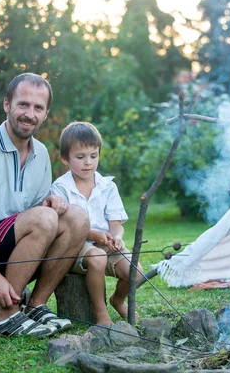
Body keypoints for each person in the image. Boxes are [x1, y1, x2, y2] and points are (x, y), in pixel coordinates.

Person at [0, 73, 89, 338]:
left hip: (18, 247)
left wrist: (48, 202)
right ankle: (5, 315)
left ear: (46, 113)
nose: (30, 114)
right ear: (6, 105)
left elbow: (35, 210)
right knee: (45, 218)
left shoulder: (40, 157)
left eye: (38, 108)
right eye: (23, 104)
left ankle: (36, 305)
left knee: (77, 218)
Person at [51, 121, 142, 326]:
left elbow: (116, 224)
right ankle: (101, 313)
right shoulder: (61, 188)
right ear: (65, 158)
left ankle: (117, 300)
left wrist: (117, 237)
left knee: (135, 271)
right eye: (80, 157)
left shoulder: (107, 186)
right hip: (76, 247)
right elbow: (63, 228)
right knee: (98, 257)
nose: (88, 163)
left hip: (105, 244)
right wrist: (92, 235)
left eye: (94, 156)